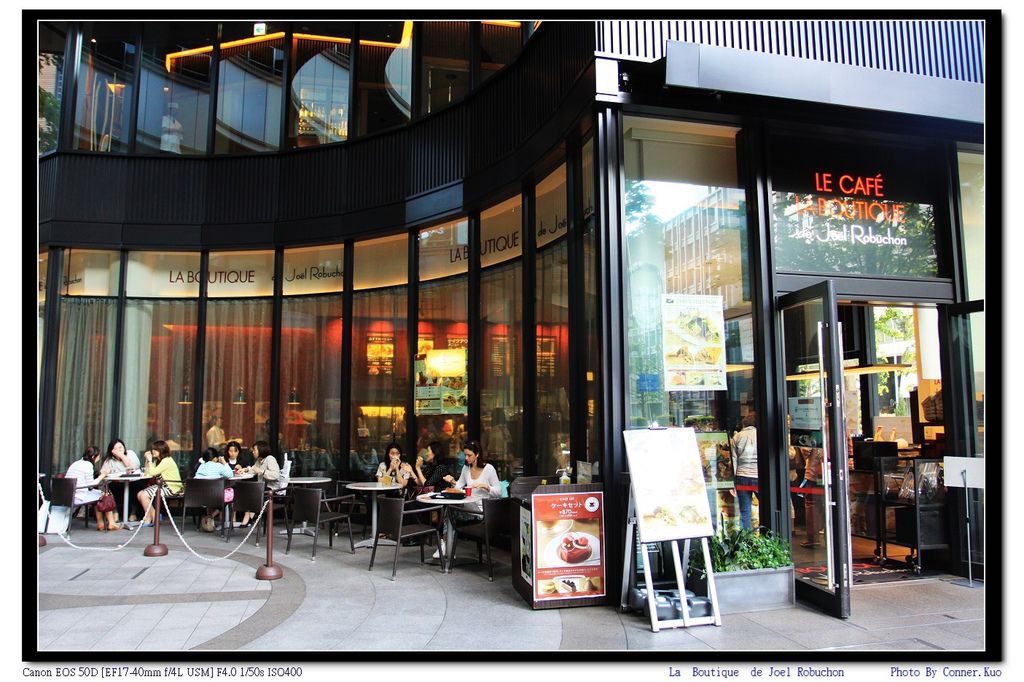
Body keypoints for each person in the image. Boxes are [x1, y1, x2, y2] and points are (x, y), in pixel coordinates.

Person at [66, 446, 121, 531]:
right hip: (78, 496)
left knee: (98, 494)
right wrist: (103, 475)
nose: (99, 459)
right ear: (93, 457)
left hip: (68, 494)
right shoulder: (88, 465)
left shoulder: (76, 463)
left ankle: (101, 523)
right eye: (98, 456)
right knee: (105, 495)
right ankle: (111, 523)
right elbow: (90, 484)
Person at [237, 441, 287, 526]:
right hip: (262, 490)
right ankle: (250, 514)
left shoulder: (270, 459)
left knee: (252, 490)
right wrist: (244, 470)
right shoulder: (259, 460)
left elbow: (275, 475)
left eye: (254, 450)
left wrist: (262, 471)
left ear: (261, 450)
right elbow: (253, 469)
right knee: (248, 489)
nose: (253, 452)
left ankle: (249, 514)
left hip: (272, 491)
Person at [137, 440, 183, 526]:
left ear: (162, 450)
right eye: (152, 449)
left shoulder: (167, 460)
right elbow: (148, 473)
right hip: (163, 486)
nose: (153, 451)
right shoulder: (158, 461)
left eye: (156, 449)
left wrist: (150, 461)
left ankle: (149, 518)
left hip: (171, 487)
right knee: (139, 494)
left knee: (143, 495)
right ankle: (155, 515)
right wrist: (147, 460)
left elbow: (153, 472)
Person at [448, 440, 502, 513]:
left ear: (477, 454)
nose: (466, 458)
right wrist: (453, 482)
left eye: (469, 455)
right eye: (465, 455)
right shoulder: (466, 468)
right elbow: (458, 487)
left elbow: (499, 492)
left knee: (453, 510)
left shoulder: (489, 469)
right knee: (450, 508)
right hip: (469, 507)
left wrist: (486, 487)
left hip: (484, 510)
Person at [100, 439, 144, 521]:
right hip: (118, 482)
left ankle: (133, 513)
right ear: (112, 451)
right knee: (109, 488)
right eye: (116, 448)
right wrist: (107, 472)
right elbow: (103, 471)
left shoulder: (130, 453)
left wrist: (122, 456)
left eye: (121, 447)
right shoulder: (110, 460)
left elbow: (132, 467)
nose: (119, 450)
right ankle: (115, 512)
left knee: (136, 487)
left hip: (133, 481)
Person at [731, 412, 758, 531]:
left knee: (745, 511)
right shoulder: (762, 434)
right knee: (767, 508)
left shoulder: (737, 436)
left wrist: (733, 481)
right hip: (759, 476)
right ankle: (766, 536)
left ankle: (747, 538)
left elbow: (734, 460)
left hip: (742, 476)